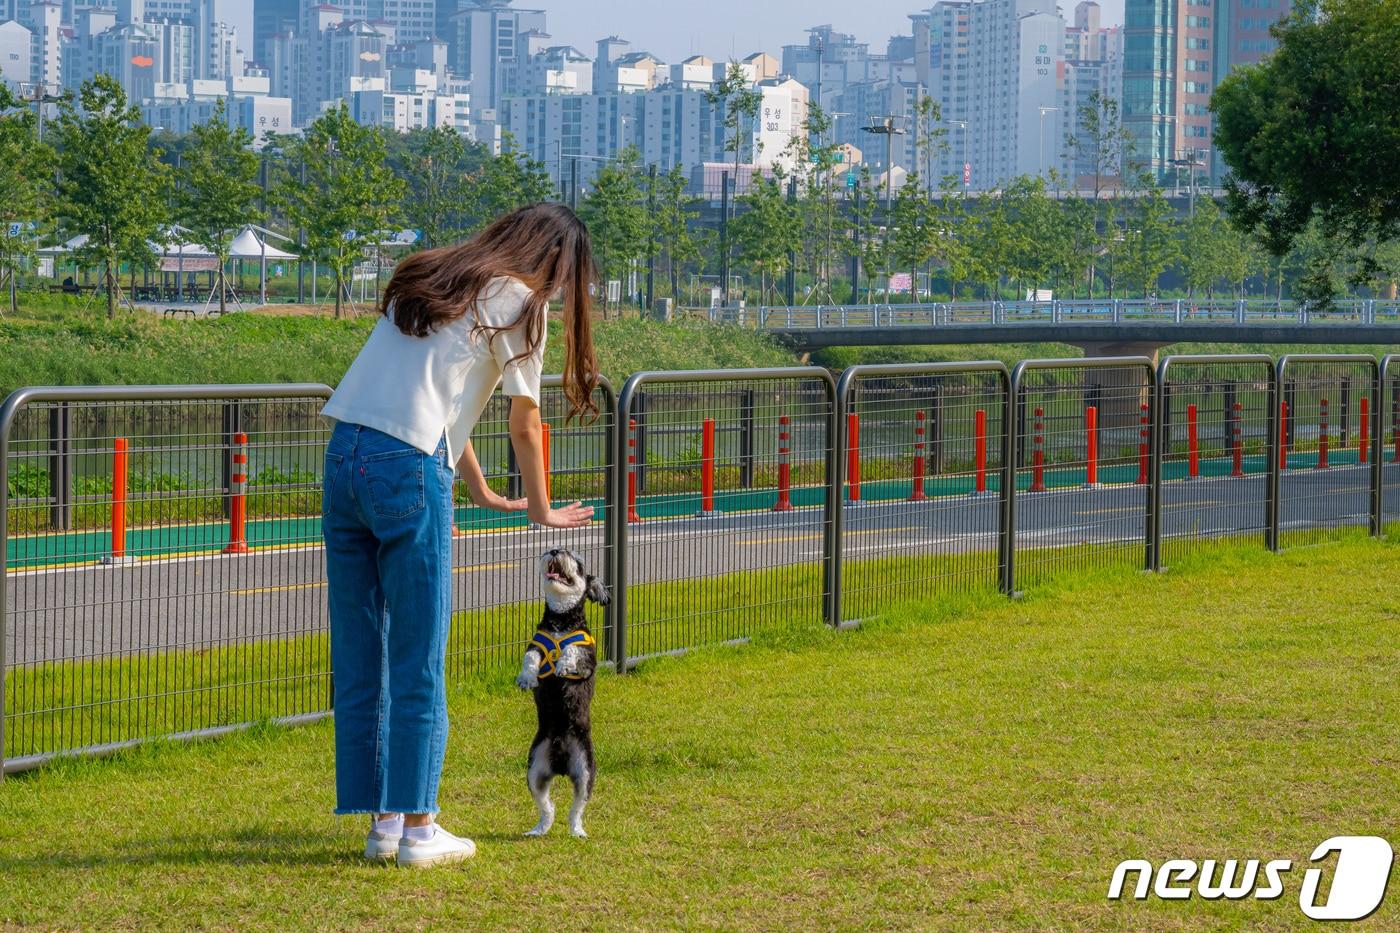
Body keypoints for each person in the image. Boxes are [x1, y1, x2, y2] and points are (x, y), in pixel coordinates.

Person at [319, 203, 599, 868]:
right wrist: (541, 507)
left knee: (366, 652)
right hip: (408, 469)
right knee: (419, 652)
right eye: (566, 276)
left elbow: (435, 395)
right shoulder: (520, 297)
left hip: (345, 456)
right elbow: (525, 420)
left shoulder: (436, 275)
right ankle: (420, 828)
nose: (561, 292)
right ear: (554, 262)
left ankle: (383, 822)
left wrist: (475, 486)